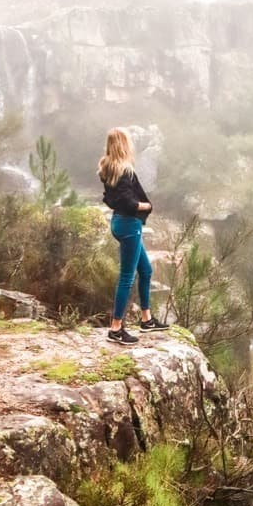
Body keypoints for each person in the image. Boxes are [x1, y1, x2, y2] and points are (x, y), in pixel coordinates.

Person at [98, 127, 168, 344]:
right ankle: (116, 328)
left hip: (120, 222)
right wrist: (145, 205)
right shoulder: (124, 171)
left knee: (146, 270)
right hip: (129, 225)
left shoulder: (108, 169)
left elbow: (109, 199)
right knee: (127, 278)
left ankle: (146, 320)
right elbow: (128, 202)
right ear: (123, 145)